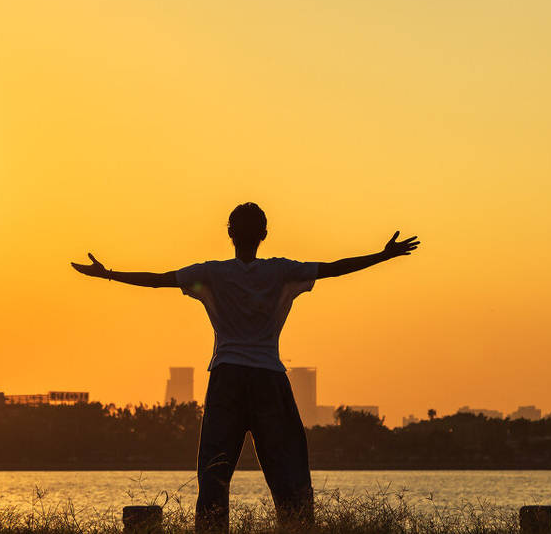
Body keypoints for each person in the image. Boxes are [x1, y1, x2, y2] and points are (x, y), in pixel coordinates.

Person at [71, 202, 419, 533]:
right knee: (289, 470)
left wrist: (110, 275)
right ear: (264, 234)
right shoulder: (280, 271)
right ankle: (297, 528)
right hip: (269, 379)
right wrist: (383, 255)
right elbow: (332, 268)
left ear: (230, 234)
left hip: (228, 380)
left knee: (214, 472)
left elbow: (161, 279)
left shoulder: (212, 274)